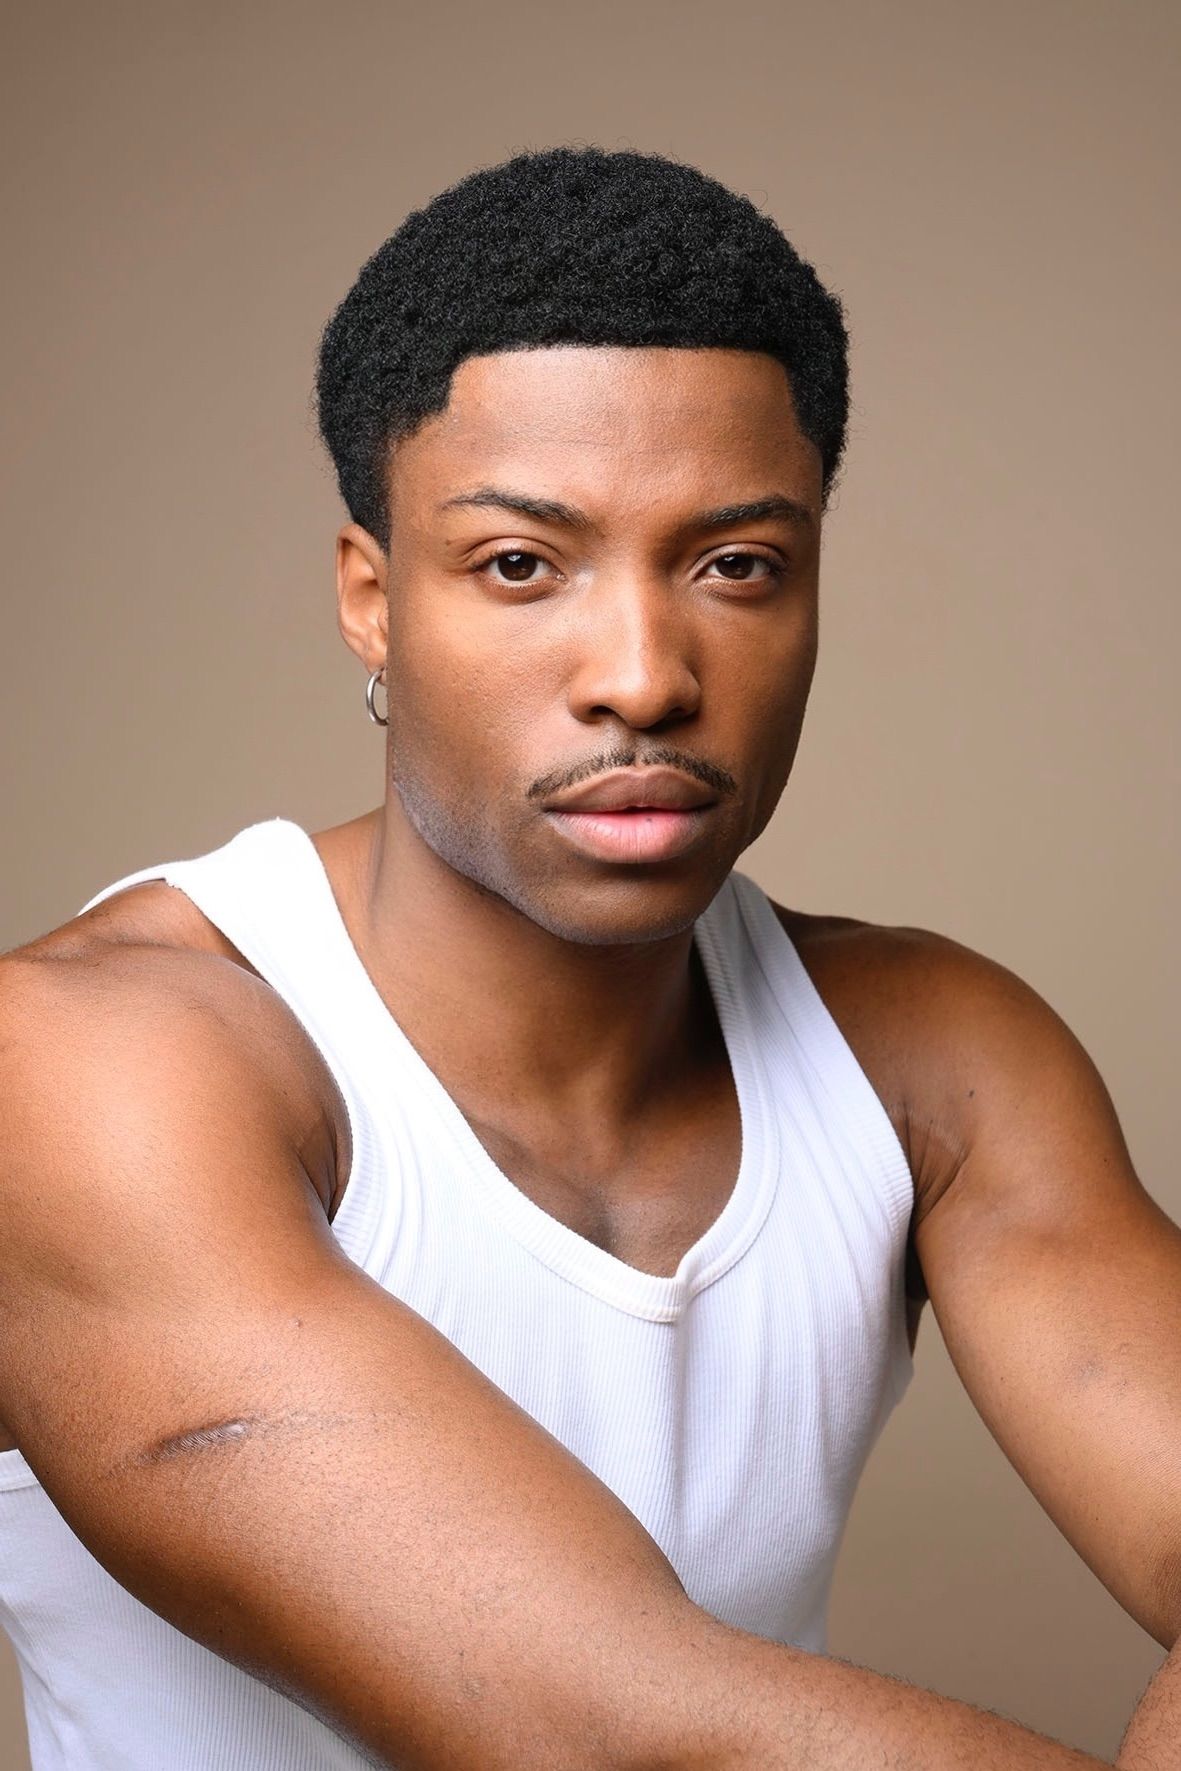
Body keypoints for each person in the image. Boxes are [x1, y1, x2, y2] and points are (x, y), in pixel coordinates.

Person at [0, 145, 1178, 1771]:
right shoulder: (80, 1068)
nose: (641, 676)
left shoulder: (934, 1061)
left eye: (735, 566)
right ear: (371, 600)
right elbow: (603, 1724)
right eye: (519, 565)